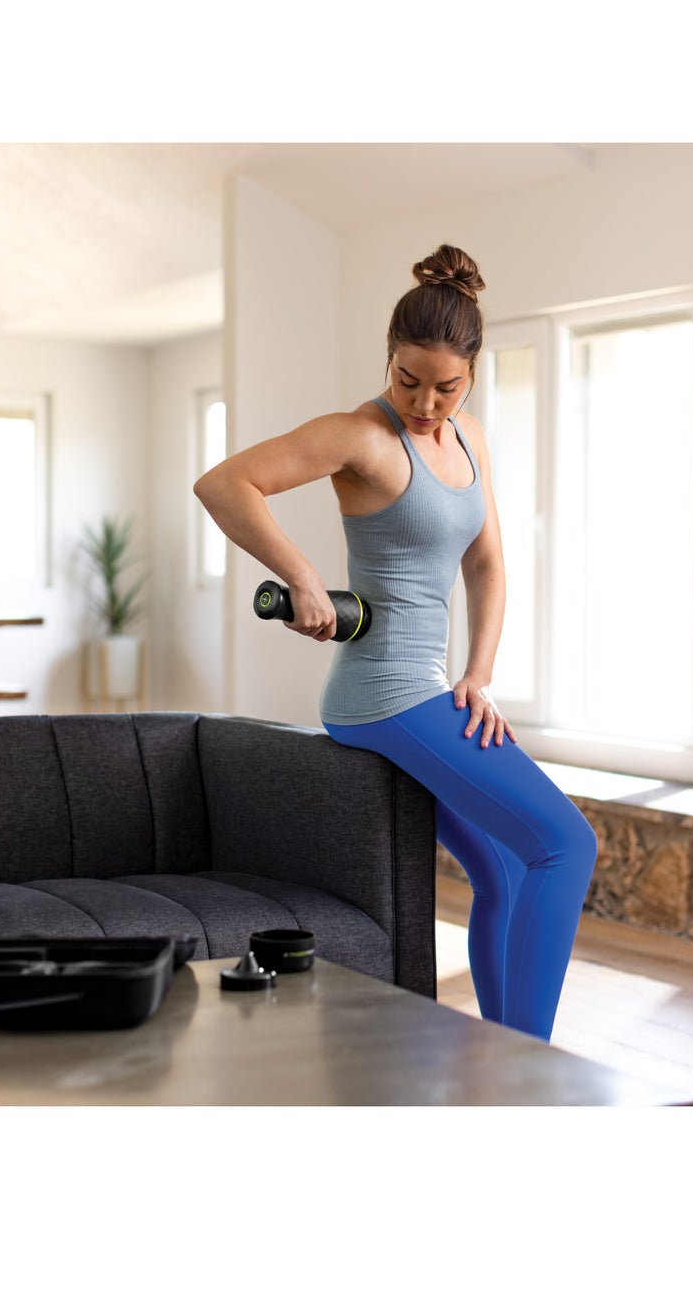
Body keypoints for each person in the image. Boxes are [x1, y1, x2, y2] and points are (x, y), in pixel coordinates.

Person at [194, 244, 597, 1041]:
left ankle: (505, 1057)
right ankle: (537, 1072)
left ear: (472, 372)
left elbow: (485, 561)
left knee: (503, 870)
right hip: (383, 694)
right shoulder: (361, 435)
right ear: (390, 358)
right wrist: (302, 575)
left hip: (433, 688)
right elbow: (222, 483)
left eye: (445, 386)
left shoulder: (470, 439)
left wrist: (479, 674)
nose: (423, 400)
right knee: (564, 844)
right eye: (407, 379)